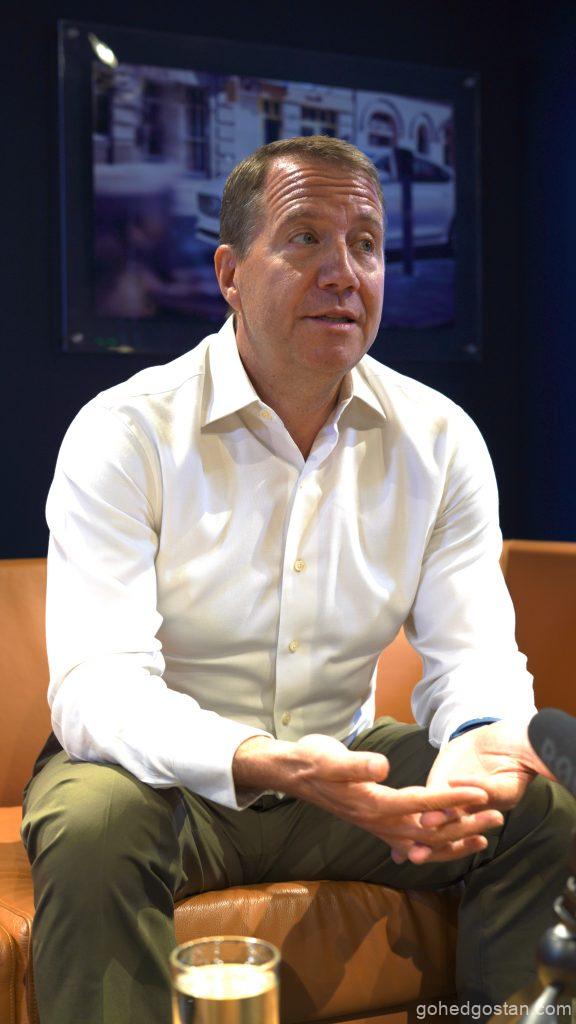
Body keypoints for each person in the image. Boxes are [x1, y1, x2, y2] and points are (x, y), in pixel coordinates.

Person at [22, 136, 575, 1024]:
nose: (342, 273)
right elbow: (97, 688)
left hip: (344, 767)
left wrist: (480, 740)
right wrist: (251, 758)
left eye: (366, 244)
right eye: (306, 238)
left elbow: (473, 655)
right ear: (231, 275)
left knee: (538, 809)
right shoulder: (125, 433)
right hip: (163, 783)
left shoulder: (441, 441)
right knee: (93, 829)